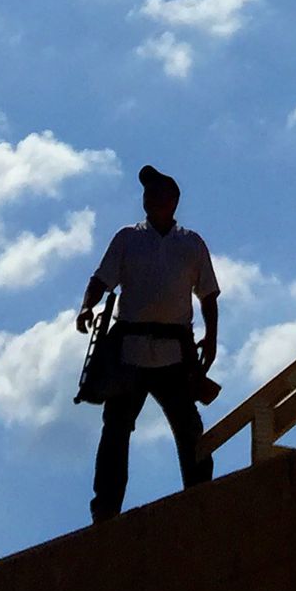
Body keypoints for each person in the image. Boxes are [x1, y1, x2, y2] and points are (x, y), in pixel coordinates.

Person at [75, 164, 220, 522]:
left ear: (172, 201)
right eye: (146, 193)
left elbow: (208, 296)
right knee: (116, 430)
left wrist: (211, 338)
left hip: (175, 352)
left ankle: (201, 500)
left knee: (189, 430)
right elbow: (102, 279)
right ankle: (105, 512)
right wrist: (85, 307)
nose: (147, 199)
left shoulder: (191, 243)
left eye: (155, 193)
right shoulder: (127, 238)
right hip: (131, 351)